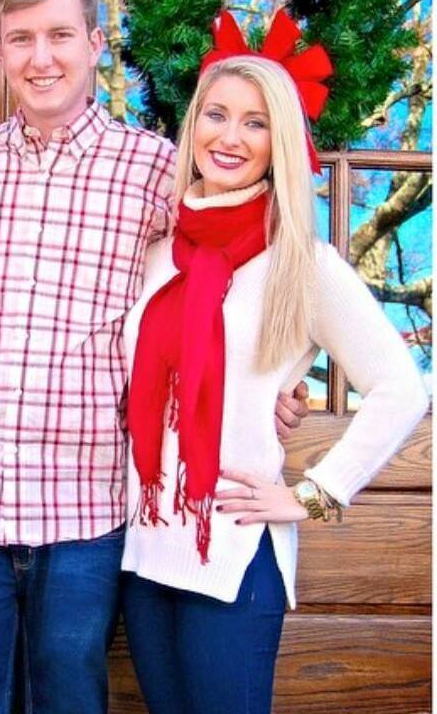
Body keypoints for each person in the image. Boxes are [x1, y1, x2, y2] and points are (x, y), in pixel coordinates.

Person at [0, 0, 307, 714]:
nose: (41, 57)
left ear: (96, 42)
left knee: (72, 694)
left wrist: (274, 379)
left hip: (89, 505)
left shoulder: (156, 169)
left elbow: (247, 273)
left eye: (60, 35)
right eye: (21, 39)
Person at [120, 45, 428, 714]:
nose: (230, 137)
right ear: (193, 126)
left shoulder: (301, 262)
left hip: (232, 553)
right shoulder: (156, 254)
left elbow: (402, 388)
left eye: (255, 123)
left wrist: (315, 494)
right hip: (144, 552)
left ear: (278, 143)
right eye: (217, 114)